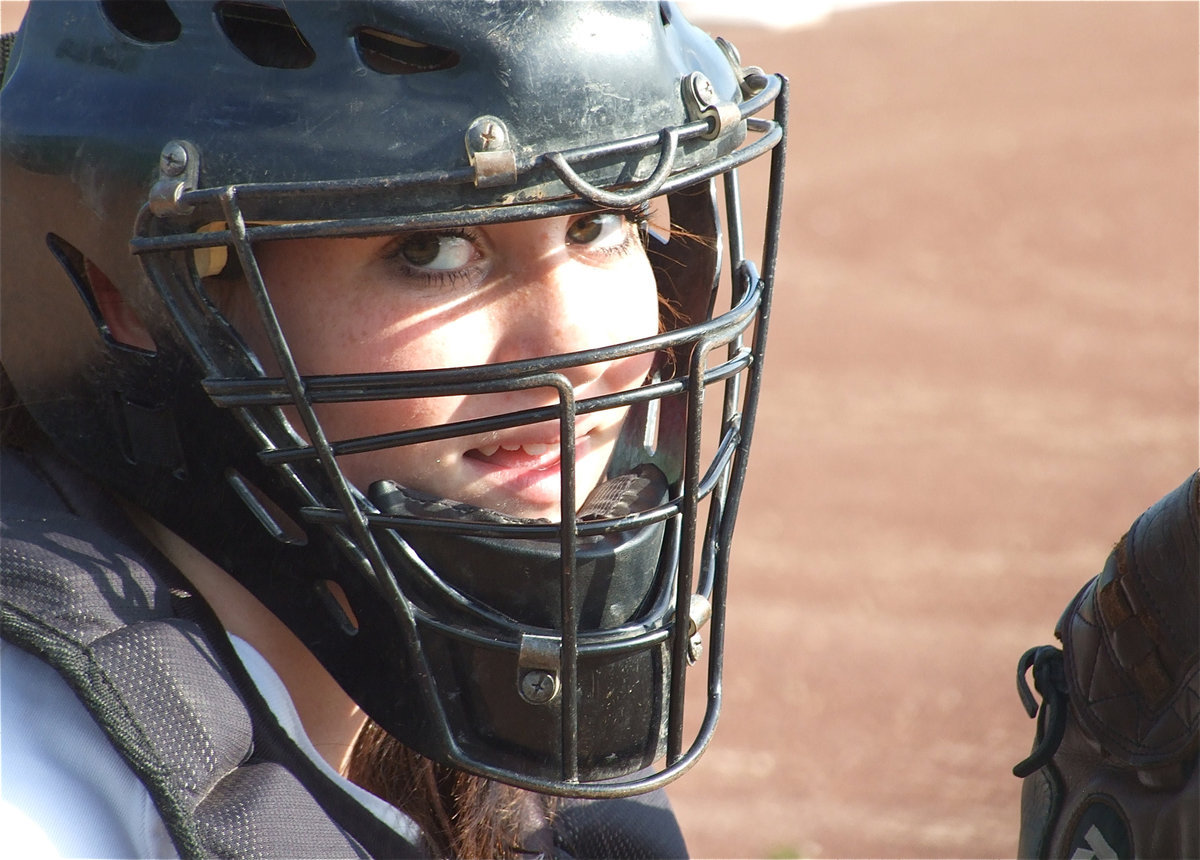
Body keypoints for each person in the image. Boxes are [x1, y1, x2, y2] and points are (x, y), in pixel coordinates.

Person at [0, 1, 788, 857]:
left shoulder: (483, 720)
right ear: (132, 297)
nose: (582, 350)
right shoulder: (43, 802)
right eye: (430, 249)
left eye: (600, 222)